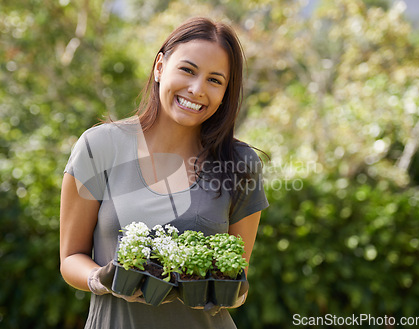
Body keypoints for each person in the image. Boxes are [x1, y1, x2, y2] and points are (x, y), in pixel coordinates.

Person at [60, 17, 269, 329]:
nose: (197, 89)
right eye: (187, 70)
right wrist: (102, 279)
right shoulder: (100, 146)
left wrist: (231, 292)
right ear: (160, 67)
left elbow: (239, 278)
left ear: (226, 92)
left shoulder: (241, 164)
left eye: (215, 80)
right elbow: (70, 258)